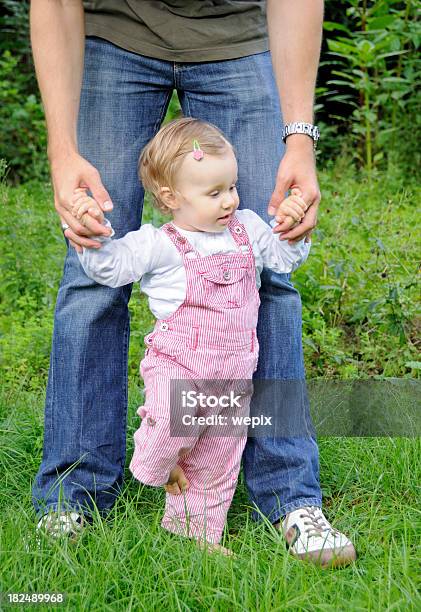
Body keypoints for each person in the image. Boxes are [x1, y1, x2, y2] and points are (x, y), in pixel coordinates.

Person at [30, 0, 356, 566]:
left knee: (269, 277)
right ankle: (71, 494)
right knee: (89, 276)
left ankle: (290, 496)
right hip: (113, 33)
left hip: (238, 39)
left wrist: (299, 138)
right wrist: (63, 150)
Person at [72, 117, 312, 554]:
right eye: (214, 193)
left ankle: (193, 534)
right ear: (170, 197)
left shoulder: (249, 228)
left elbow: (281, 258)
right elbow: (112, 267)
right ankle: (155, 465)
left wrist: (294, 228)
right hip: (179, 364)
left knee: (218, 459)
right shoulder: (160, 244)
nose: (230, 201)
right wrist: (89, 239)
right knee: (166, 419)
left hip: (234, 373)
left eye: (232, 187)